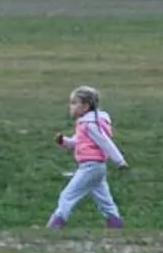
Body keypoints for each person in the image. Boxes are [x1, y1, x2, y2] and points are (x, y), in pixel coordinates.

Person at [48, 84, 130, 230]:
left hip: (90, 167)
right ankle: (115, 225)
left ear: (85, 106)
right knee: (104, 200)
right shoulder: (85, 124)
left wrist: (120, 161)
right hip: (97, 167)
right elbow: (77, 142)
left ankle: (55, 225)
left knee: (68, 195)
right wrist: (64, 141)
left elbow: (105, 142)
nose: (70, 107)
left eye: (74, 103)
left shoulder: (90, 125)